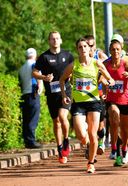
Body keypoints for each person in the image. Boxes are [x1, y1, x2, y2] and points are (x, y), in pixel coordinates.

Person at [59, 38, 114, 173]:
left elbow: (109, 78)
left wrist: (111, 83)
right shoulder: (73, 65)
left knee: (92, 132)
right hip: (78, 103)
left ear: (90, 49)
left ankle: (90, 163)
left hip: (94, 102)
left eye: (85, 46)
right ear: (77, 50)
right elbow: (62, 79)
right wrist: (64, 95)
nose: (83, 49)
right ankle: (89, 145)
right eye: (80, 47)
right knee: (81, 134)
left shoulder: (97, 63)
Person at [33, 31, 74, 164]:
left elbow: (74, 70)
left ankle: (66, 139)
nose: (55, 41)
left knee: (63, 117)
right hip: (52, 94)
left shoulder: (68, 55)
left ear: (61, 40)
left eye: (57, 38)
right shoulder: (44, 57)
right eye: (52, 39)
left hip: (66, 91)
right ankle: (60, 147)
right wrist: (44, 77)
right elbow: (34, 72)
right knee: (56, 122)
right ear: (49, 41)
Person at [103, 38, 128, 167]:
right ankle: (114, 148)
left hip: (125, 99)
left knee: (125, 128)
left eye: (118, 49)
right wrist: (104, 84)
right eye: (113, 49)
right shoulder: (106, 64)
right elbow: (100, 78)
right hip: (111, 99)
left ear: (121, 50)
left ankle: (124, 148)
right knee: (114, 117)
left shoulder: (127, 63)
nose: (116, 51)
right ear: (110, 51)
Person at [84, 34, 109, 156]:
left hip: (98, 92)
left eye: (91, 45)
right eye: (87, 45)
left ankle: (101, 141)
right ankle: (89, 145)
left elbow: (107, 70)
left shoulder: (100, 56)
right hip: (85, 94)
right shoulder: (80, 59)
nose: (89, 48)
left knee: (100, 122)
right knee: (88, 122)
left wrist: (104, 86)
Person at [19, 48, 43, 149]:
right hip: (33, 93)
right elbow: (37, 76)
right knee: (33, 118)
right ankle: (31, 141)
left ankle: (27, 141)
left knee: (26, 119)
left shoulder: (22, 67)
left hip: (24, 94)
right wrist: (40, 87)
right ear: (35, 55)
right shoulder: (34, 64)